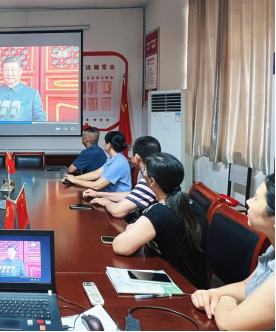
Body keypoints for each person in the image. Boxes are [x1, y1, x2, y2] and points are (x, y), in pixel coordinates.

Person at [191, 174, 275, 331]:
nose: (248, 202)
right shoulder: (273, 249)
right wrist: (213, 293)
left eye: (256, 199)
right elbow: (247, 286)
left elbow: (228, 324)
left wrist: (225, 298)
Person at [112, 153, 209, 289]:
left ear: (152, 182)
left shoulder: (160, 212)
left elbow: (120, 246)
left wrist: (136, 230)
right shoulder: (190, 202)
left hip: (182, 286)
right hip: (195, 280)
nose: (143, 174)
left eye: (144, 172)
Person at [85, 136, 161, 219]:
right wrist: (99, 194)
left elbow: (117, 211)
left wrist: (106, 202)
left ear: (137, 158)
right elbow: (132, 194)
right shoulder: (156, 171)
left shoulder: (150, 179)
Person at [63, 131, 131, 193]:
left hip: (116, 199)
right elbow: (96, 174)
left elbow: (97, 185)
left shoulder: (118, 162)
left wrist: (75, 180)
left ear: (109, 145)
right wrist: (73, 178)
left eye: (104, 142)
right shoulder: (114, 158)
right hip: (107, 195)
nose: (103, 144)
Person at [0, 56, 47, 122]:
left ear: (20, 71)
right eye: (6, 70)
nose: (9, 74)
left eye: (13, 70)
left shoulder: (32, 94)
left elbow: (39, 118)